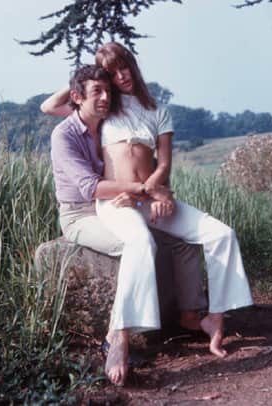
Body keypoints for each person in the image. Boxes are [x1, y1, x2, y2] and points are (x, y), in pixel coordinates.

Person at [47, 64, 221, 387]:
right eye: (97, 92)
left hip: (120, 204)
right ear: (77, 97)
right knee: (138, 244)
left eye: (108, 91)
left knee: (181, 239)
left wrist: (156, 193)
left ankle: (190, 314)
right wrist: (145, 190)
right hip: (81, 215)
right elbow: (90, 187)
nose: (105, 98)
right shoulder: (64, 134)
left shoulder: (106, 123)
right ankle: (117, 335)